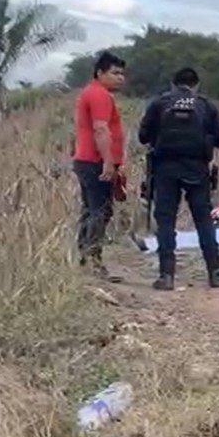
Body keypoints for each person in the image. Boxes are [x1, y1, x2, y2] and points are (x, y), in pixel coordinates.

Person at [138, 67, 219, 291]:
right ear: (197, 85)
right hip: (197, 169)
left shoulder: (160, 103)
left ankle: (166, 275)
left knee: (166, 220)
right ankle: (215, 271)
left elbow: (143, 137)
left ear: (173, 84)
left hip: (165, 169)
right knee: (203, 220)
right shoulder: (205, 105)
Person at [74, 51, 127, 282]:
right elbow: (100, 129)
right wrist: (108, 161)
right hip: (95, 162)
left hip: (87, 160)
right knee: (100, 211)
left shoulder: (92, 93)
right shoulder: (99, 95)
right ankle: (94, 263)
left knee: (90, 210)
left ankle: (84, 259)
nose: (120, 78)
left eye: (122, 74)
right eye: (115, 73)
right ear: (100, 73)